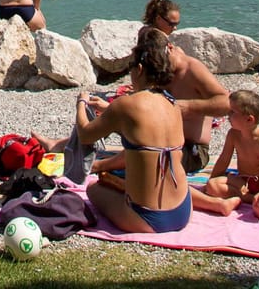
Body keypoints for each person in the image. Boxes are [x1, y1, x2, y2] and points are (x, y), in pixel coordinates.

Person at [77, 27, 191, 234]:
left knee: (93, 189)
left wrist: (81, 103)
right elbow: (143, 135)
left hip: (149, 219)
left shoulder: (126, 105)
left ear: (139, 69)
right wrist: (108, 110)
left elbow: (85, 134)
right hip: (183, 211)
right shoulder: (173, 104)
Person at [141, 0, 232, 171]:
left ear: (169, 48)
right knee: (136, 151)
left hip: (191, 150)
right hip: (162, 142)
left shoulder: (192, 69)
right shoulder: (154, 67)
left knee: (146, 162)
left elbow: (227, 103)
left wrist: (188, 107)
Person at [187, 89, 259, 217]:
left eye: (232, 112)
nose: (228, 116)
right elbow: (224, 160)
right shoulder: (233, 134)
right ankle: (249, 198)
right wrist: (211, 180)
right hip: (244, 180)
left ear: (249, 120)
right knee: (213, 186)